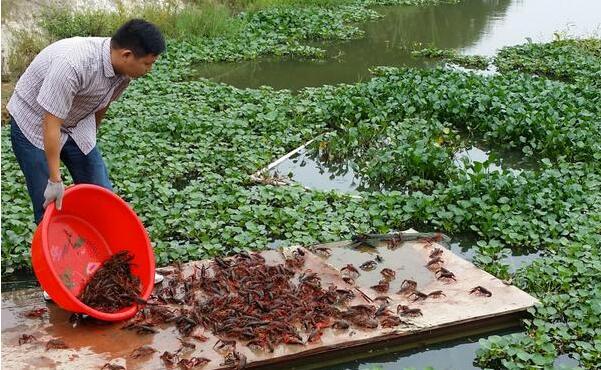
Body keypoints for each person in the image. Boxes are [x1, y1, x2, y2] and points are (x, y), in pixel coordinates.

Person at [7, 19, 166, 299]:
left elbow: (100, 105)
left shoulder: (123, 73)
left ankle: (124, 269)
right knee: (48, 207)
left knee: (103, 196)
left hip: (76, 121)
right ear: (127, 55)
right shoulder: (73, 65)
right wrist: (55, 180)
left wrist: (90, 143)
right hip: (35, 123)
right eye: (148, 64)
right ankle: (57, 280)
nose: (150, 70)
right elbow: (50, 123)